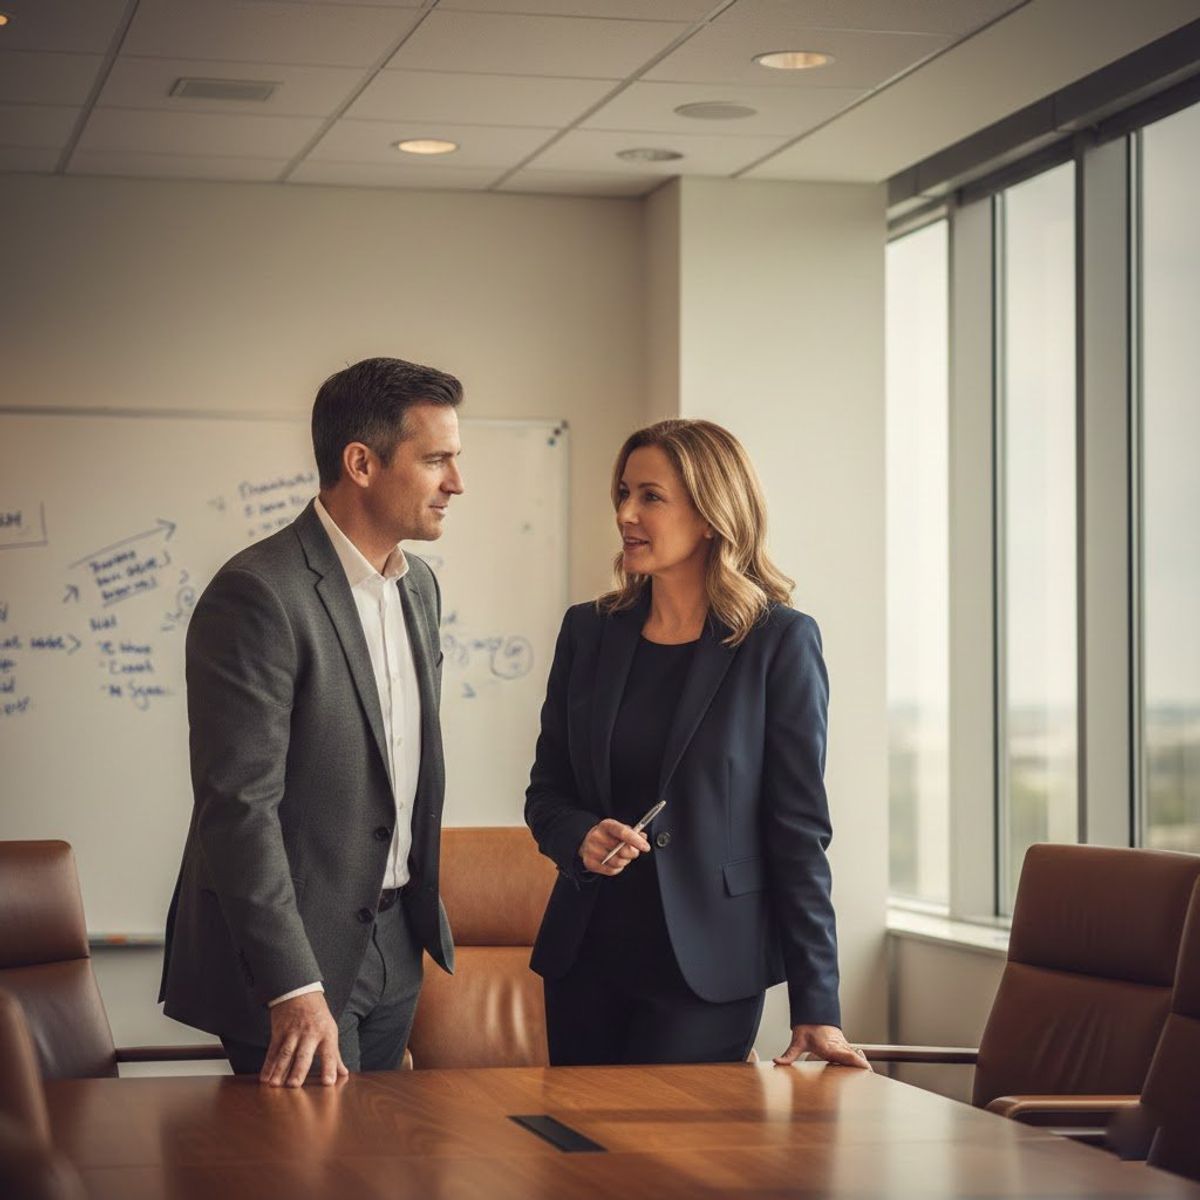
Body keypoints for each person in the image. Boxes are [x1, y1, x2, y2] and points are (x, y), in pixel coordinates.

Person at [525, 419, 869, 1069]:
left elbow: (798, 831)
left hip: (710, 970)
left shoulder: (778, 643)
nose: (626, 512)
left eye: (650, 496)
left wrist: (816, 1003)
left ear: (711, 514)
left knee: (674, 1166)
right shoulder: (588, 633)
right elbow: (547, 793)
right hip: (586, 961)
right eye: (623, 493)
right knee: (578, 1163)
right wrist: (580, 835)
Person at [160, 356, 464, 1085]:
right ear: (362, 462)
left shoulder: (418, 586)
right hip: (295, 961)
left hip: (397, 939)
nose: (456, 483)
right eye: (437, 461)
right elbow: (239, 807)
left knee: (384, 1165)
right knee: (316, 1177)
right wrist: (292, 987)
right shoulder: (258, 594)